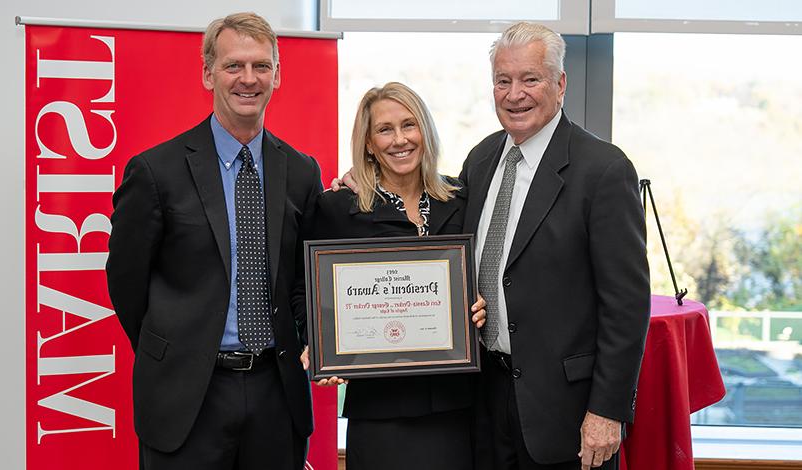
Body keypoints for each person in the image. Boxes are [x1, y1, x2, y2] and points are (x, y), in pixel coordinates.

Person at [334, 22, 650, 470]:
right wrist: (361, 180)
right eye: (503, 80)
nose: (514, 93)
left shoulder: (603, 170)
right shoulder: (481, 160)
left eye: (530, 79)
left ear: (560, 84)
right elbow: (440, 241)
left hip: (565, 411)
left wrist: (608, 411)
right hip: (482, 403)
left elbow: (627, 305)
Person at [106, 12, 322, 470]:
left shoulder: (303, 172)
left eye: (261, 66)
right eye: (233, 66)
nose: (249, 79)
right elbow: (126, 284)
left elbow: (305, 278)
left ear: (278, 75)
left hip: (275, 395)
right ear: (208, 73)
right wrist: (176, 347)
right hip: (186, 396)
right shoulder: (154, 172)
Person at [314, 82, 486, 470]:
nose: (399, 140)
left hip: (456, 406)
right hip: (381, 411)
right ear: (369, 143)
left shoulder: (461, 199)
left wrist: (479, 303)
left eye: (409, 125)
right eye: (384, 130)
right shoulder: (338, 207)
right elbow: (306, 289)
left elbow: (487, 271)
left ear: (425, 131)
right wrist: (320, 340)